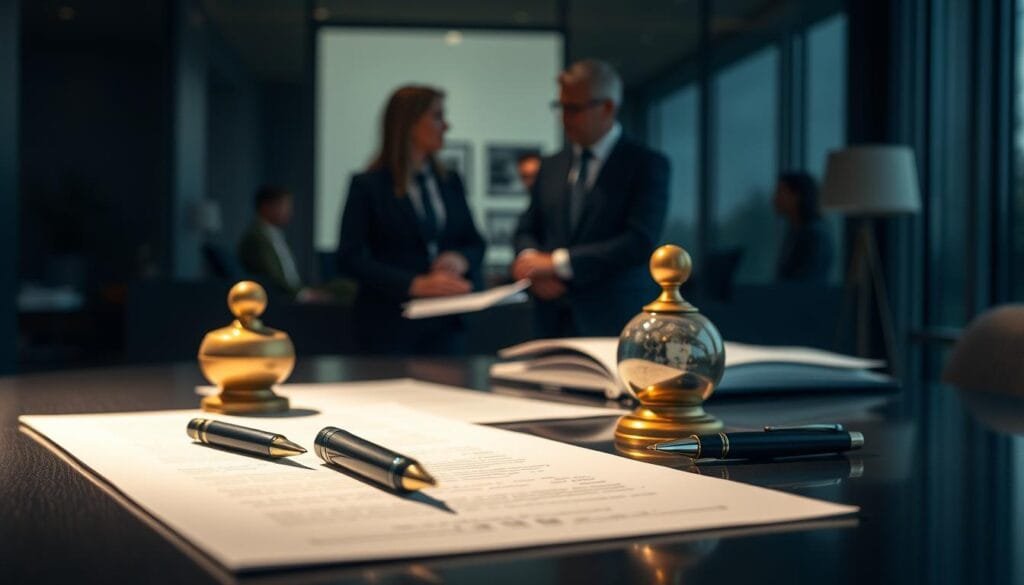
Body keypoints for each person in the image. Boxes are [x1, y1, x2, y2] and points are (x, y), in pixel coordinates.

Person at [512, 59, 669, 337]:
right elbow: (527, 228)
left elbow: (639, 240)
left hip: (613, 320)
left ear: (608, 107)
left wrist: (558, 264)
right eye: (560, 107)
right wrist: (532, 266)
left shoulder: (646, 164)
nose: (564, 118)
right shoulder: (551, 165)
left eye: (573, 108)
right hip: (549, 321)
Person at [336, 85, 485, 354]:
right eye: (437, 116)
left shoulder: (449, 182)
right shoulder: (368, 185)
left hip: (446, 324)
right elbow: (349, 257)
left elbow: (475, 242)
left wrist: (460, 258)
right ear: (409, 123)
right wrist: (413, 284)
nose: (446, 126)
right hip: (388, 324)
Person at [238, 185, 325, 301]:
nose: (289, 212)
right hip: (281, 300)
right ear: (266, 207)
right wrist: (303, 295)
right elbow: (272, 278)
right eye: (285, 206)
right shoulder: (257, 238)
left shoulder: (274, 235)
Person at [773, 172, 833, 282]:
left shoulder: (815, 235)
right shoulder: (793, 232)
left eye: (780, 192)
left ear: (796, 196)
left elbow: (808, 282)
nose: (774, 199)